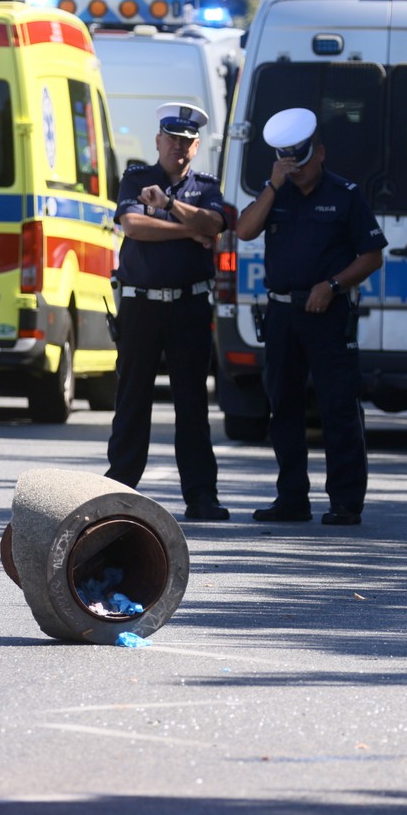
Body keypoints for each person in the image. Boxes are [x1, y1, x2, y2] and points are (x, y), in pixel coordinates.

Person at [233, 108, 387, 525]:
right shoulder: (276, 193)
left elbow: (372, 255)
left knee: (338, 406)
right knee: (283, 406)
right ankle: (292, 498)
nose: (296, 172)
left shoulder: (345, 194)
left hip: (328, 313)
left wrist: (333, 285)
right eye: (287, 164)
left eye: (300, 163)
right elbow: (244, 231)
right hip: (282, 313)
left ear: (319, 153)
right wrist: (271, 185)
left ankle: (345, 501)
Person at [104, 102, 229, 521]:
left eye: (186, 142)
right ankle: (119, 488)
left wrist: (173, 209)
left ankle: (201, 494)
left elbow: (214, 225)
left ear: (196, 148)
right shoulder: (137, 178)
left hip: (190, 306)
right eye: (172, 140)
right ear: (158, 140)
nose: (178, 148)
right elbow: (135, 227)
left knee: (192, 403)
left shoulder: (207, 186)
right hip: (141, 304)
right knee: (133, 398)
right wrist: (188, 230)